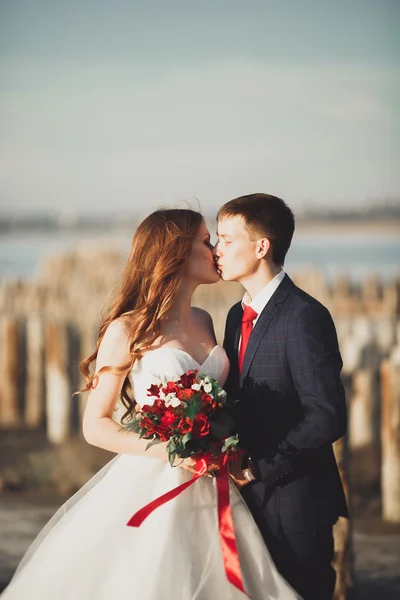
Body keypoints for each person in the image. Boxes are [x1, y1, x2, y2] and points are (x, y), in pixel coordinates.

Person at [1, 208, 300, 600]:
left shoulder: (206, 320)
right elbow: (96, 425)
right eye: (205, 242)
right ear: (175, 254)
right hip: (155, 476)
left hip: (214, 480)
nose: (214, 251)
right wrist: (172, 452)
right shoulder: (127, 328)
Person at [214, 193, 348, 600]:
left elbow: (326, 417)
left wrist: (259, 468)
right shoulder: (236, 316)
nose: (216, 250)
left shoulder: (304, 315)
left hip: (295, 504)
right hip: (243, 502)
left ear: (261, 247)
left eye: (226, 240)